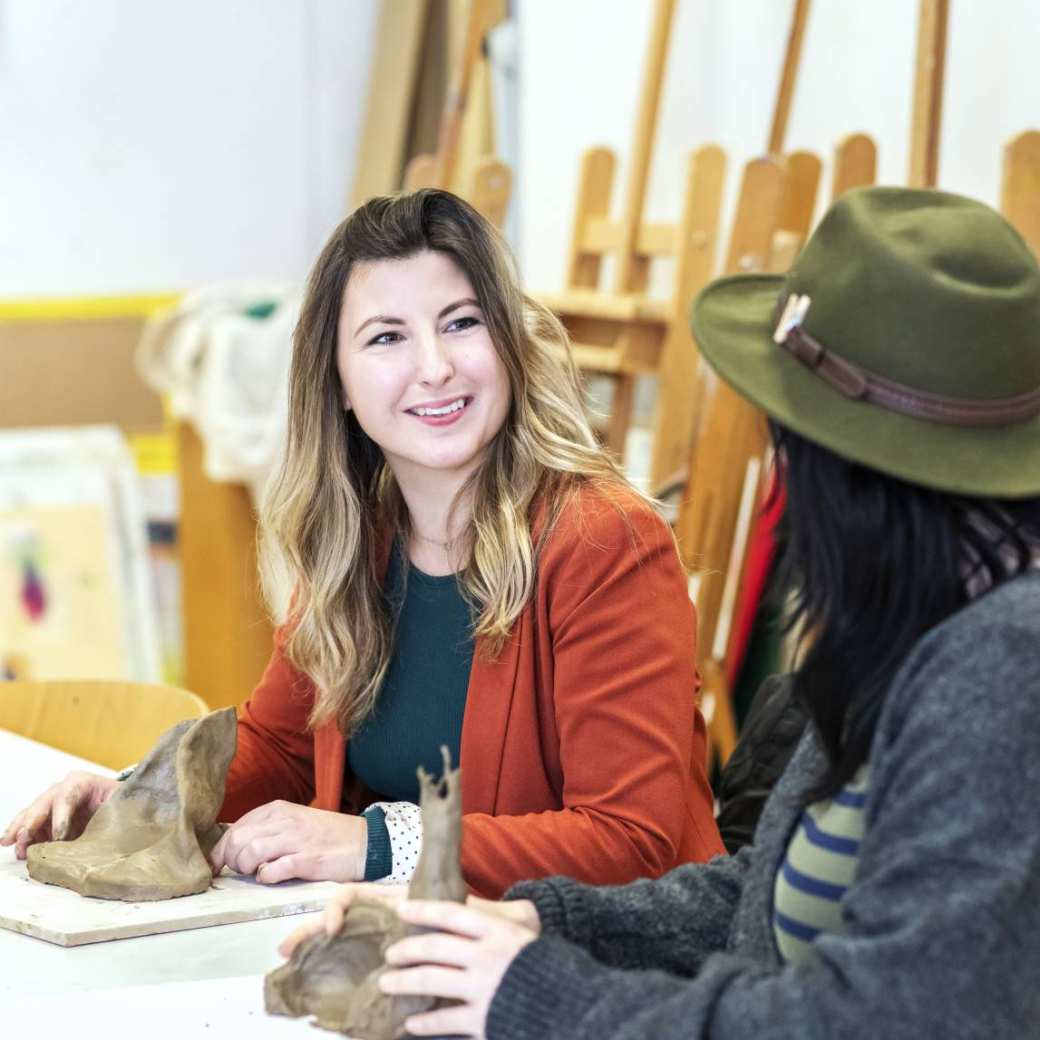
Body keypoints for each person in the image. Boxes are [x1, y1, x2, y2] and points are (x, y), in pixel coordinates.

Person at [303, 187, 1040, 1037]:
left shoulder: (1004, 673)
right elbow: (759, 889)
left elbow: (874, 1018)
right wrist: (543, 923)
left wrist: (540, 995)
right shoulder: (923, 632)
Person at [2, 190, 723, 897]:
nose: (434, 366)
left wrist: (377, 843)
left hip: (602, 971)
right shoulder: (362, 537)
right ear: (340, 381)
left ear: (509, 343)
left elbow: (629, 840)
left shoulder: (607, 543)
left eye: (462, 322)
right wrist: (140, 795)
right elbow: (280, 746)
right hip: (431, 944)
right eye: (387, 337)